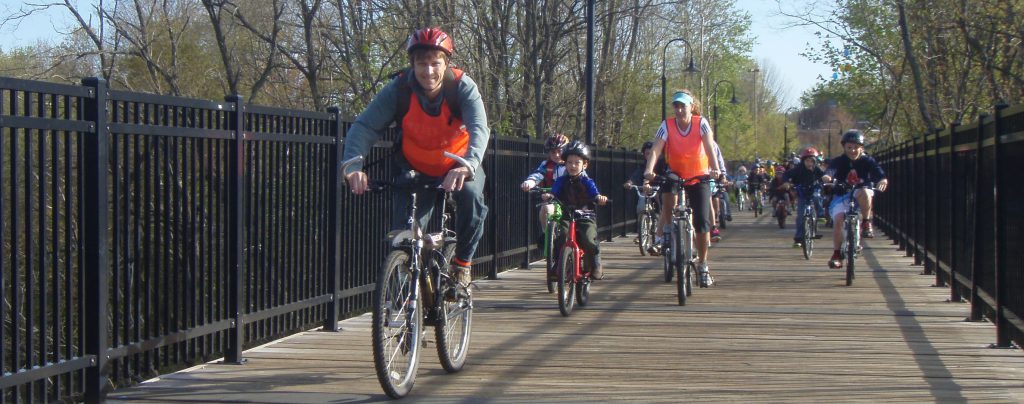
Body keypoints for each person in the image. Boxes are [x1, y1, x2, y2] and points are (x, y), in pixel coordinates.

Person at [341, 27, 490, 289]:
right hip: (414, 166)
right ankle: (405, 298)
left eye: (436, 63)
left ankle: (462, 264)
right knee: (404, 236)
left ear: (446, 64)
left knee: (471, 197)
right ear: (412, 65)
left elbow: (479, 127)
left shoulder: (462, 87)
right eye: (422, 63)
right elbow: (365, 127)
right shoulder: (398, 89)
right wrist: (353, 166)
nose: (429, 71)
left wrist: (467, 165)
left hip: (458, 165)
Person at [643, 90, 722, 287]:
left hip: (700, 175)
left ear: (691, 107)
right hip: (676, 172)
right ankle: (668, 228)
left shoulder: (700, 123)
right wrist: (648, 171)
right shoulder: (667, 125)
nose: (678, 110)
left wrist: (716, 169)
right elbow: (656, 149)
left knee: (702, 222)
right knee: (668, 189)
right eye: (676, 106)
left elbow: (710, 147)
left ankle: (703, 265)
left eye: (682, 106)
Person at [822, 130, 889, 269]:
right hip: (842, 194)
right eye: (849, 147)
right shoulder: (839, 161)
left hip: (861, 193)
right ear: (844, 147)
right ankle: (836, 254)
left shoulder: (867, 160)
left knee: (864, 191)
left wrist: (882, 179)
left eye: (856, 147)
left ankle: (866, 222)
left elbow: (877, 171)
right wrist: (827, 177)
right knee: (839, 219)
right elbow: (831, 170)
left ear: (861, 148)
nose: (852, 151)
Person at [543, 141, 609, 280]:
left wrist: (599, 198)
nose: (573, 166)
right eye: (569, 162)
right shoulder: (561, 180)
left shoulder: (587, 181)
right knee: (561, 237)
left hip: (585, 216)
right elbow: (554, 192)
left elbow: (594, 193)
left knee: (588, 239)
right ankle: (558, 264)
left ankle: (594, 264)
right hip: (567, 215)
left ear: (584, 165)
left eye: (577, 163)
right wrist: (550, 195)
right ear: (565, 163)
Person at [521, 133, 571, 233]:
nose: (556, 155)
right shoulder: (546, 165)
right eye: (553, 152)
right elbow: (538, 174)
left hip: (571, 200)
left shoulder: (572, 164)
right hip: (552, 199)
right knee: (545, 209)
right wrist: (530, 182)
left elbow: (583, 178)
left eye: (559, 151)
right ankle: (547, 235)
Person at [782, 147, 826, 247]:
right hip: (802, 192)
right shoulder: (798, 169)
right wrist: (786, 182)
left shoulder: (816, 169)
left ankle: (820, 214)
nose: (809, 163)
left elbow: (824, 175)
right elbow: (786, 174)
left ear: (815, 162)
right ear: (803, 161)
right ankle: (798, 238)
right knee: (801, 216)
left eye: (812, 161)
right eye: (807, 161)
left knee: (816, 197)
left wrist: (826, 178)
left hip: (814, 190)